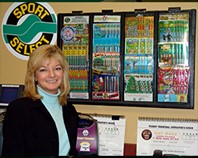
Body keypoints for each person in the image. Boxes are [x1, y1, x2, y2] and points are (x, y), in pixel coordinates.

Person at [2, 44, 79, 156]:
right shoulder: (18, 110)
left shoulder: (70, 110)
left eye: (57, 68)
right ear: (34, 76)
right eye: (43, 70)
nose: (52, 75)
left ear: (63, 73)